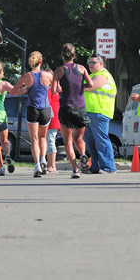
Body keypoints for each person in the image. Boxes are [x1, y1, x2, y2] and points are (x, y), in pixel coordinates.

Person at [52, 43, 92, 179]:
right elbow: (90, 85)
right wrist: (80, 86)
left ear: (62, 56)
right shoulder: (81, 68)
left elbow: (53, 90)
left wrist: (60, 88)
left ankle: (75, 169)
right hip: (81, 108)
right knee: (79, 138)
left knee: (68, 141)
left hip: (66, 108)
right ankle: (83, 155)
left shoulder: (59, 71)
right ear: (74, 55)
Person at [11, 51, 53, 178]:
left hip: (32, 109)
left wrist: (26, 89)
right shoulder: (48, 75)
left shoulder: (26, 76)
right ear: (41, 62)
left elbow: (13, 91)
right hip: (45, 109)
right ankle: (43, 159)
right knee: (43, 137)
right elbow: (58, 88)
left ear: (30, 63)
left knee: (34, 139)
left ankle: (37, 166)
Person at [84, 54, 117, 174]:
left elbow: (89, 87)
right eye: (89, 62)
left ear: (101, 64)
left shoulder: (103, 75)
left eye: (94, 62)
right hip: (90, 112)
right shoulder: (92, 75)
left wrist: (72, 86)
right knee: (90, 141)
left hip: (100, 111)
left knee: (101, 140)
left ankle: (108, 167)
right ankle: (95, 167)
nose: (90, 64)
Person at [46, 88, 61, 173]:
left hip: (50, 118)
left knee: (50, 141)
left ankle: (52, 165)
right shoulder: (54, 89)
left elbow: (46, 103)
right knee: (49, 141)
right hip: (53, 117)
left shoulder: (49, 90)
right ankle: (50, 165)